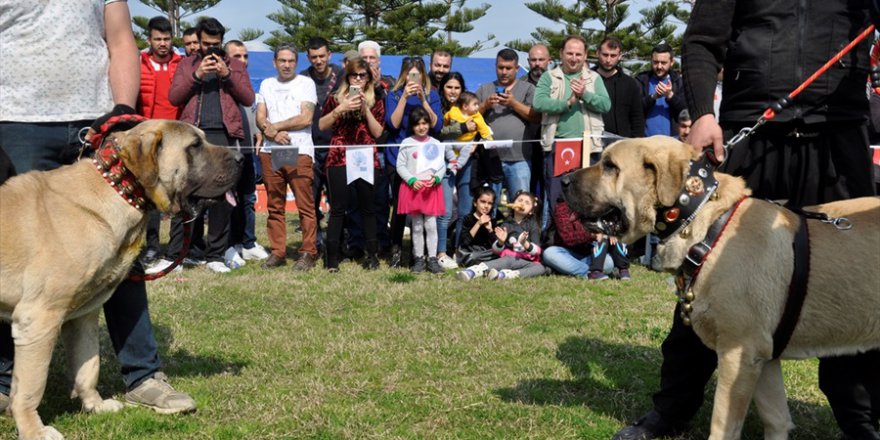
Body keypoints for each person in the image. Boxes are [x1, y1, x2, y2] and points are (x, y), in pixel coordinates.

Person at [612, 2, 880, 439]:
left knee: (860, 277)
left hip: (838, 128)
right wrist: (701, 112)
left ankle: (860, 418)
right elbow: (701, 41)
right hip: (753, 124)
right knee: (705, 280)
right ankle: (673, 408)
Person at [0, 0, 195, 415]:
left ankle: (143, 375)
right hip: (13, 122)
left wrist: (124, 110)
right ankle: (4, 383)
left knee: (124, 251)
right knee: (17, 261)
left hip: (97, 121)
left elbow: (121, 39)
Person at [164, 17, 255, 274]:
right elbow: (174, 97)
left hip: (224, 137)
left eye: (216, 45)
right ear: (199, 41)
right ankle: (177, 255)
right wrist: (197, 75)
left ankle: (215, 254)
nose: (210, 50)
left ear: (222, 42)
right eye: (206, 44)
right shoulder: (186, 64)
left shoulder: (234, 65)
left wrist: (228, 76)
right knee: (185, 195)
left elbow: (248, 98)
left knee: (222, 198)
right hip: (193, 139)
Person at [533, 35, 611, 230]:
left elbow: (605, 104)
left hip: (588, 148)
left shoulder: (594, 78)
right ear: (561, 54)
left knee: (587, 196)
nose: (573, 58)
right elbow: (538, 102)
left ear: (585, 56)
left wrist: (585, 94)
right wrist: (566, 103)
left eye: (578, 54)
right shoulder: (549, 77)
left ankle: (586, 238)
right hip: (557, 146)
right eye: (569, 53)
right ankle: (555, 239)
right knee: (556, 195)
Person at [255, 44, 320, 272]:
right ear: (274, 63)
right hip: (271, 151)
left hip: (299, 151)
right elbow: (260, 115)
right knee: (275, 205)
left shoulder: (306, 84)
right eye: (282, 60)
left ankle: (308, 252)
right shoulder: (266, 84)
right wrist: (269, 129)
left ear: (297, 62)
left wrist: (274, 128)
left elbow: (306, 118)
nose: (286, 65)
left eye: (291, 61)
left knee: (305, 205)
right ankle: (278, 252)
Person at [318, 57, 385, 272]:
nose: (358, 79)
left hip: (365, 154)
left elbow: (378, 133)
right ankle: (332, 259)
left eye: (362, 75)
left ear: (368, 78)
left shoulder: (376, 100)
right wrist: (342, 107)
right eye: (354, 75)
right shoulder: (334, 98)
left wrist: (365, 109)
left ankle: (372, 255)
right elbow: (321, 125)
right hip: (339, 154)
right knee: (338, 209)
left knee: (368, 207)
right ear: (347, 77)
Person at [385, 56, 444, 267]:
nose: (413, 79)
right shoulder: (393, 95)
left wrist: (423, 101)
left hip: (425, 163)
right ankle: (396, 251)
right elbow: (392, 124)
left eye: (416, 75)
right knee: (400, 210)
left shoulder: (432, 95)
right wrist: (403, 98)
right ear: (403, 75)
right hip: (399, 159)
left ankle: (423, 254)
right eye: (409, 74)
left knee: (424, 213)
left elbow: (437, 127)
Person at [137, 15, 183, 269]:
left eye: (166, 39)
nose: (163, 43)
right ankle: (152, 247)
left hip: (176, 137)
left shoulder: (183, 64)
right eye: (158, 39)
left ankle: (179, 248)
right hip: (147, 137)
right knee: (151, 195)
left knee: (177, 193)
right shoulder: (138, 63)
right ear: (149, 40)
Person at [224, 40, 270, 263]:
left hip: (249, 149)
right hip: (228, 151)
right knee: (229, 200)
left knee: (248, 198)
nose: (242, 61)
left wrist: (258, 132)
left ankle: (248, 242)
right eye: (236, 56)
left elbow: (250, 112)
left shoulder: (248, 82)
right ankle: (230, 244)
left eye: (245, 56)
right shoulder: (223, 84)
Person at [476, 48, 541, 202]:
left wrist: (513, 103)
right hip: (490, 160)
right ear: (495, 66)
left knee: (521, 205)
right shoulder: (484, 89)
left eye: (508, 68)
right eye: (500, 67)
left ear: (517, 69)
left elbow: (536, 117)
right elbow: (469, 117)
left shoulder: (528, 89)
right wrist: (485, 105)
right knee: (488, 207)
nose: (504, 72)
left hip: (520, 159)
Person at [302, 37, 343, 258]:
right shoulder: (302, 78)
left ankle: (338, 240)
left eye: (322, 56)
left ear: (329, 55)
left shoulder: (343, 76)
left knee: (338, 200)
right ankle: (313, 240)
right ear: (309, 57)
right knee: (310, 197)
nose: (318, 60)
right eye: (314, 57)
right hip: (309, 147)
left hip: (337, 146)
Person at [395, 107, 446, 274]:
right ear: (412, 126)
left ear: (429, 124)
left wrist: (436, 178)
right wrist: (411, 179)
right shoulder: (406, 143)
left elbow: (441, 166)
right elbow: (400, 165)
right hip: (413, 189)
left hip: (431, 189)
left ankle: (432, 259)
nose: (422, 127)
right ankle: (418, 259)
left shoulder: (436, 144)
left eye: (424, 123)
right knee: (416, 226)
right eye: (417, 124)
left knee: (431, 225)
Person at [437, 72, 478, 266]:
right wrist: (463, 129)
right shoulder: (438, 108)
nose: (453, 91)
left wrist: (477, 141)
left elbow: (479, 127)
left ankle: (458, 250)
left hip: (467, 161)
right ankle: (441, 252)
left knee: (464, 211)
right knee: (444, 211)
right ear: (442, 88)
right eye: (449, 87)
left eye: (457, 88)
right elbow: (439, 132)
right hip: (444, 163)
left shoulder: (470, 108)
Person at [456, 190, 544, 280]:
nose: (522, 204)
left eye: (527, 203)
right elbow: (496, 250)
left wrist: (525, 243)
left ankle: (506, 275)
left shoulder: (533, 225)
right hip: (509, 259)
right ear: (513, 204)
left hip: (525, 261)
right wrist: (500, 243)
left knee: (540, 268)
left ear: (531, 211)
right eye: (520, 200)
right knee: (507, 259)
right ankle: (473, 271)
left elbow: (537, 251)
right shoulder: (505, 225)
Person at [593, 36, 645, 138]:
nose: (608, 60)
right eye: (605, 55)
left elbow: (637, 117)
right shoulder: (587, 80)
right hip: (592, 142)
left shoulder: (630, 84)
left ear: (620, 56)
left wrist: (636, 142)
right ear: (597, 53)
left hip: (622, 144)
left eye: (613, 56)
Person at [635, 43, 686, 137]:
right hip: (645, 141)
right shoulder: (640, 81)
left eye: (663, 63)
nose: (659, 66)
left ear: (672, 62)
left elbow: (685, 112)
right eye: (655, 62)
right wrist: (653, 97)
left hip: (672, 141)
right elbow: (634, 109)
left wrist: (670, 95)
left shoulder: (679, 83)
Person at [454, 185, 498, 267]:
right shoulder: (468, 218)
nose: (486, 206)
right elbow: (465, 242)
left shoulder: (492, 221)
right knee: (473, 257)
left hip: (485, 252)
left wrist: (490, 230)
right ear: (475, 203)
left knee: (501, 252)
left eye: (490, 203)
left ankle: (484, 264)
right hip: (470, 251)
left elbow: (494, 245)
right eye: (483, 202)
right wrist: (478, 223)